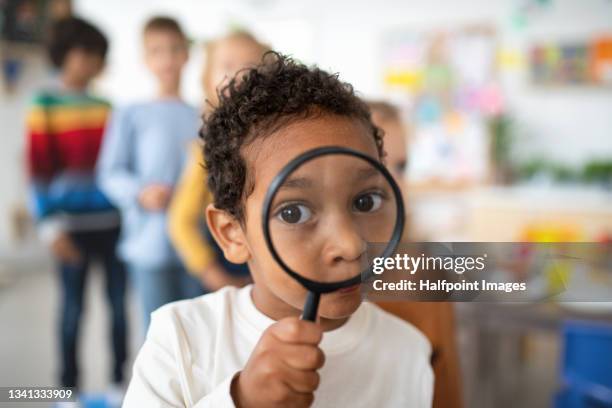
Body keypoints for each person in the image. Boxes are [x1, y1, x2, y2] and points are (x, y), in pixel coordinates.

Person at [123, 52, 433, 407]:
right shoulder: (181, 339)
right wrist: (239, 401)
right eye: (294, 212)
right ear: (231, 234)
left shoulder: (409, 351)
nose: (350, 245)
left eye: (365, 202)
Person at [25, 16, 126, 404]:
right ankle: (68, 391)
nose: (89, 62)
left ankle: (119, 383)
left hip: (113, 224)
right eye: (83, 53)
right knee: (71, 314)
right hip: (70, 227)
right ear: (64, 54)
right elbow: (37, 169)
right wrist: (50, 227)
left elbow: (116, 168)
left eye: (96, 55)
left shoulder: (107, 106)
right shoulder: (44, 103)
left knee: (118, 310)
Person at [97, 16, 203, 333]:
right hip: (150, 244)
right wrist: (140, 193)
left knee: (199, 332)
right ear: (146, 59)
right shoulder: (131, 113)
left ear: (186, 54)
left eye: (174, 49)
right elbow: (110, 173)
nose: (167, 59)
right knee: (159, 335)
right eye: (157, 51)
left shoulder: (202, 114)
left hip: (198, 245)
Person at [367, 101, 463, 408]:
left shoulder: (426, 271)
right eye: (378, 164)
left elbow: (446, 387)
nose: (395, 181)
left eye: (402, 166)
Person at [168, 31, 268, 291]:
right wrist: (210, 272)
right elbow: (181, 221)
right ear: (206, 80)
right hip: (225, 273)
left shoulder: (276, 143)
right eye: (227, 66)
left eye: (254, 66)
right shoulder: (205, 151)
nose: (242, 75)